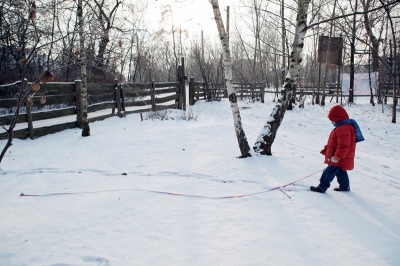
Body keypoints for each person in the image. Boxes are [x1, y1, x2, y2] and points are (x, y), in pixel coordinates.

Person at [310, 105, 364, 193]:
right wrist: (326, 149)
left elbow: (344, 146)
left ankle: (321, 187)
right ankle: (345, 187)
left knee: (328, 172)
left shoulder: (344, 129)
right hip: (340, 157)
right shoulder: (342, 127)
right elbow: (334, 143)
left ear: (338, 118)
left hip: (339, 158)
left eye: (332, 120)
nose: (332, 122)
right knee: (341, 172)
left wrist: (337, 157)